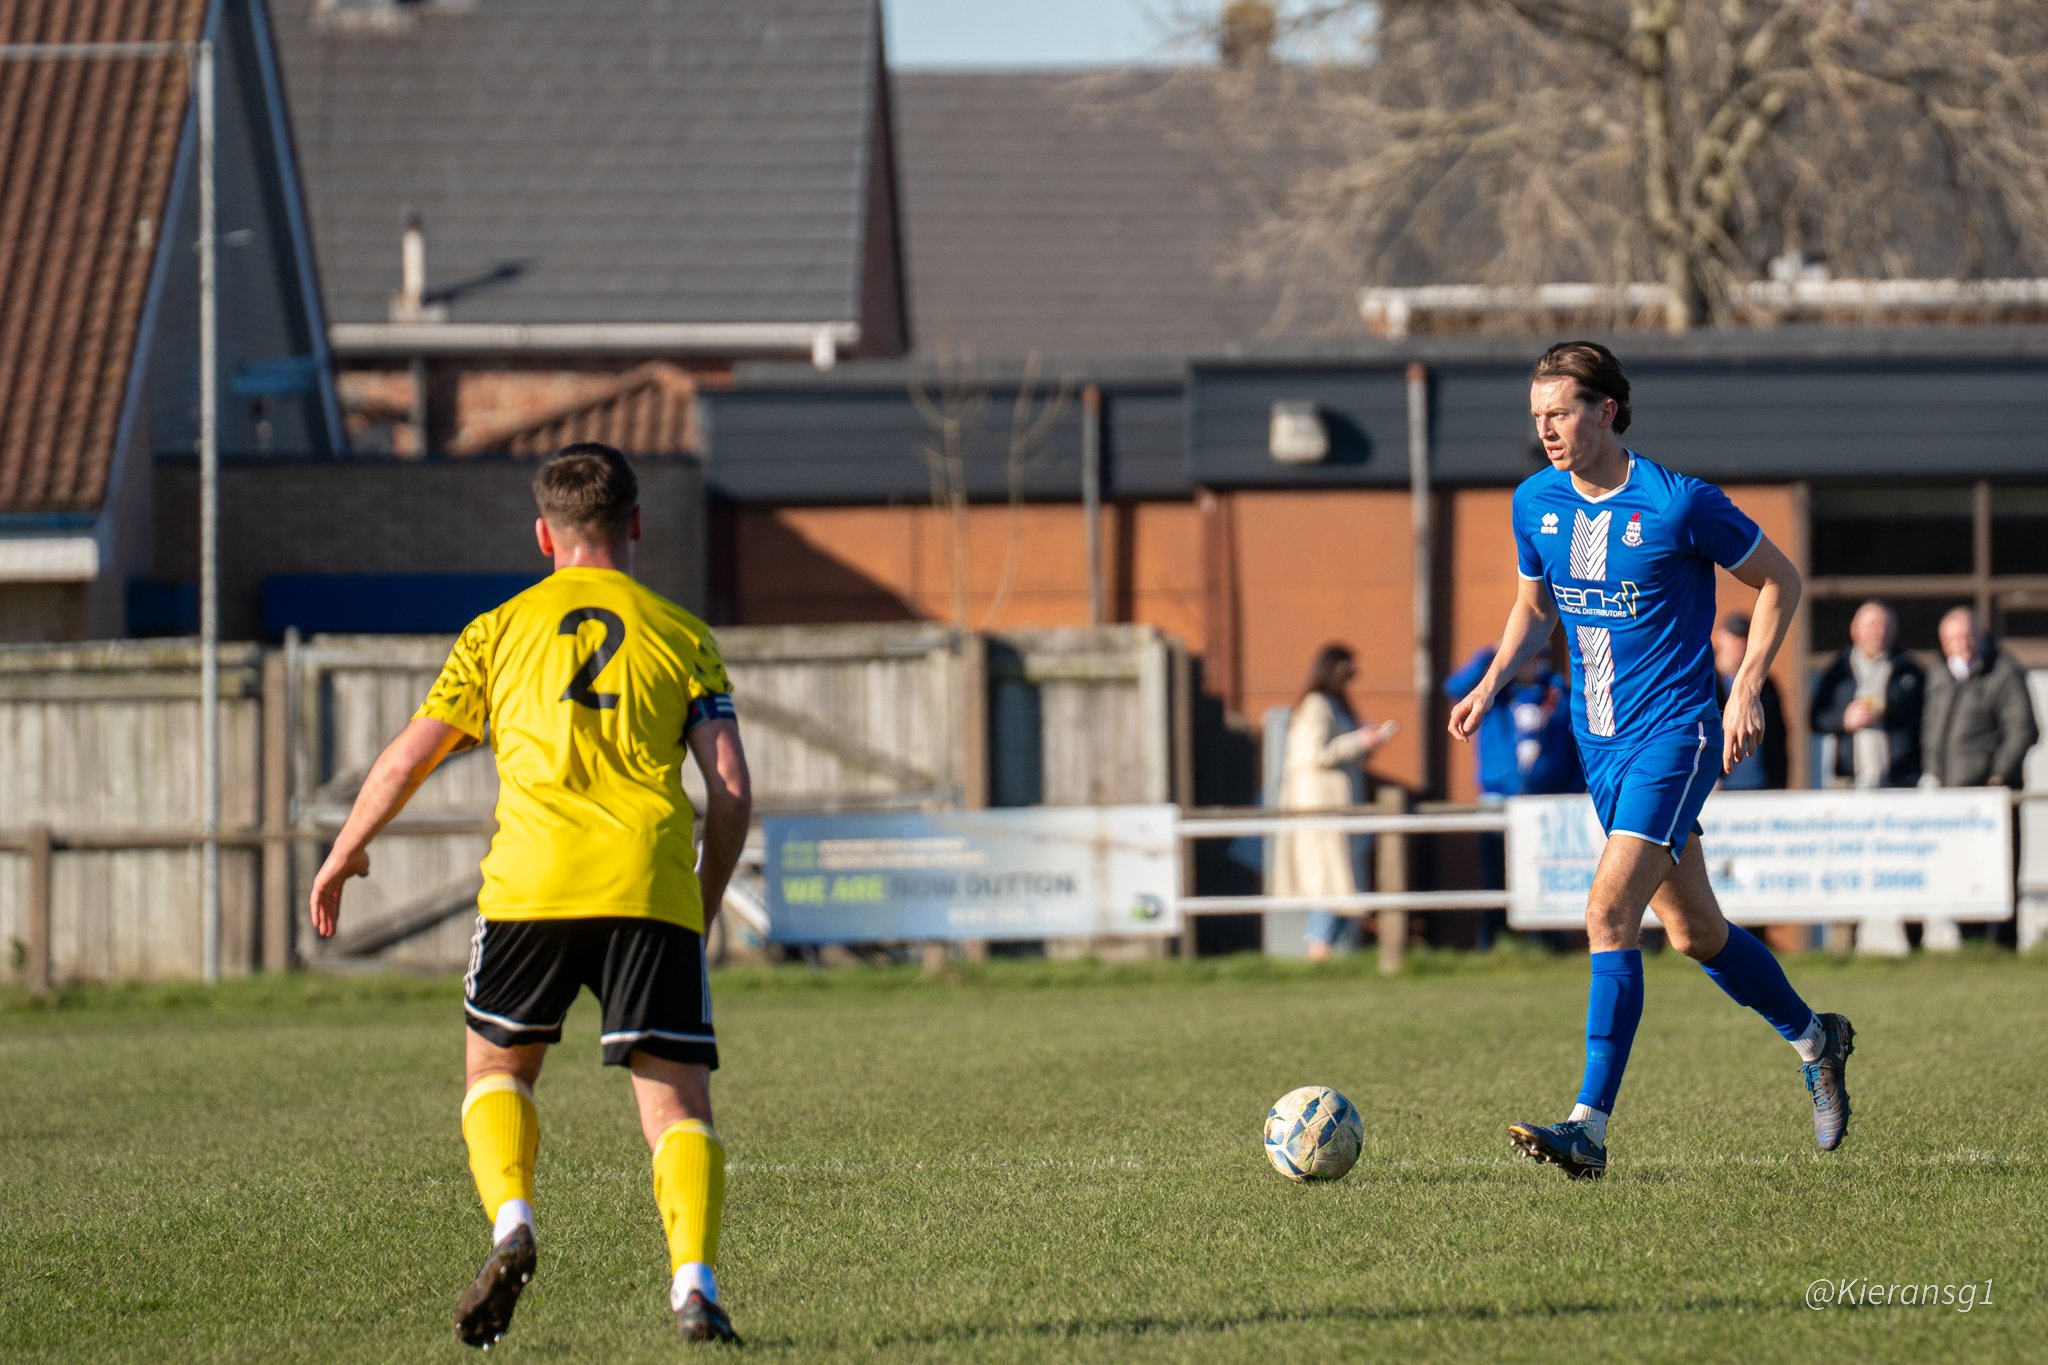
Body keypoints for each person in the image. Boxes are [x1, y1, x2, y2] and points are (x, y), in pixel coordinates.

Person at [308, 443, 751, 1346]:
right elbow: (732, 789)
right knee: (676, 1108)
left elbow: (409, 754)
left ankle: (513, 1222)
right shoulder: (680, 632)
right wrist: (697, 906)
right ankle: (693, 1288)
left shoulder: (496, 630)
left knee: (497, 1071)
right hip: (646, 885)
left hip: (530, 887)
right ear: (634, 524)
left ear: (543, 535)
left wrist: (346, 849)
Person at [1449, 341, 1853, 1180]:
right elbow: (1534, 606)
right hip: (1600, 745)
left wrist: (1744, 690)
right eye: (1536, 417)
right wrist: (1492, 681)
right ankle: (1818, 1038)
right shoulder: (1536, 501)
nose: (1546, 430)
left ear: (1607, 410)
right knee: (1695, 932)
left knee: (1606, 912)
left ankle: (1587, 1128)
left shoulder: (1680, 503)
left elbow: (1780, 580)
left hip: (1676, 734)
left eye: (1559, 413)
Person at [1443, 645, 1583, 946]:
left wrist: (1570, 793)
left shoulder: (1560, 697)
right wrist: (1493, 657)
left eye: (1535, 655)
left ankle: (1549, 945)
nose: (1529, 663)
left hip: (1548, 801)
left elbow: (1578, 749)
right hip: (1498, 800)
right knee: (1496, 873)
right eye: (1523, 656)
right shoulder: (1493, 696)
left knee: (1545, 873)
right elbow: (1454, 688)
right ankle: (1492, 943)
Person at [1272, 643, 1396, 960]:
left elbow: (1342, 750)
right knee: (1331, 882)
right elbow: (1315, 754)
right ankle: (1319, 949)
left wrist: (1367, 742)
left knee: (1342, 883)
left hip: (1338, 809)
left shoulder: (1334, 705)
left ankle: (1322, 950)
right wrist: (1359, 740)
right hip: (1320, 810)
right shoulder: (1315, 705)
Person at [1810, 600, 1923, 789]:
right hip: (1848, 782)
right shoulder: (1837, 671)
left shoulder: (1909, 670)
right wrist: (1843, 720)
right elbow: (1816, 718)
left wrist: (1891, 710)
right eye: (1872, 625)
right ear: (1854, 629)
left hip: (1900, 782)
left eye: (1885, 625)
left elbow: (1925, 720)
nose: (1879, 631)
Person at [1924, 605, 2039, 791]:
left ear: (1981, 635)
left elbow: (2022, 728)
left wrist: (1999, 773)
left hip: (1989, 792)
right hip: (1944, 791)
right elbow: (1929, 728)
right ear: (1944, 643)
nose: (1963, 644)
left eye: (1968, 636)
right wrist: (1930, 770)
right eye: (1954, 639)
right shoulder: (1937, 675)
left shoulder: (2003, 672)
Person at [1712, 614, 1787, 790]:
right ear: (1720, 638)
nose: (1740, 643)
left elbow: (1778, 734)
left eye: (1745, 638)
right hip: (1718, 786)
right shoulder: (1705, 682)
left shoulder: (1766, 685)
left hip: (1760, 783)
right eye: (1735, 637)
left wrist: (1779, 779)